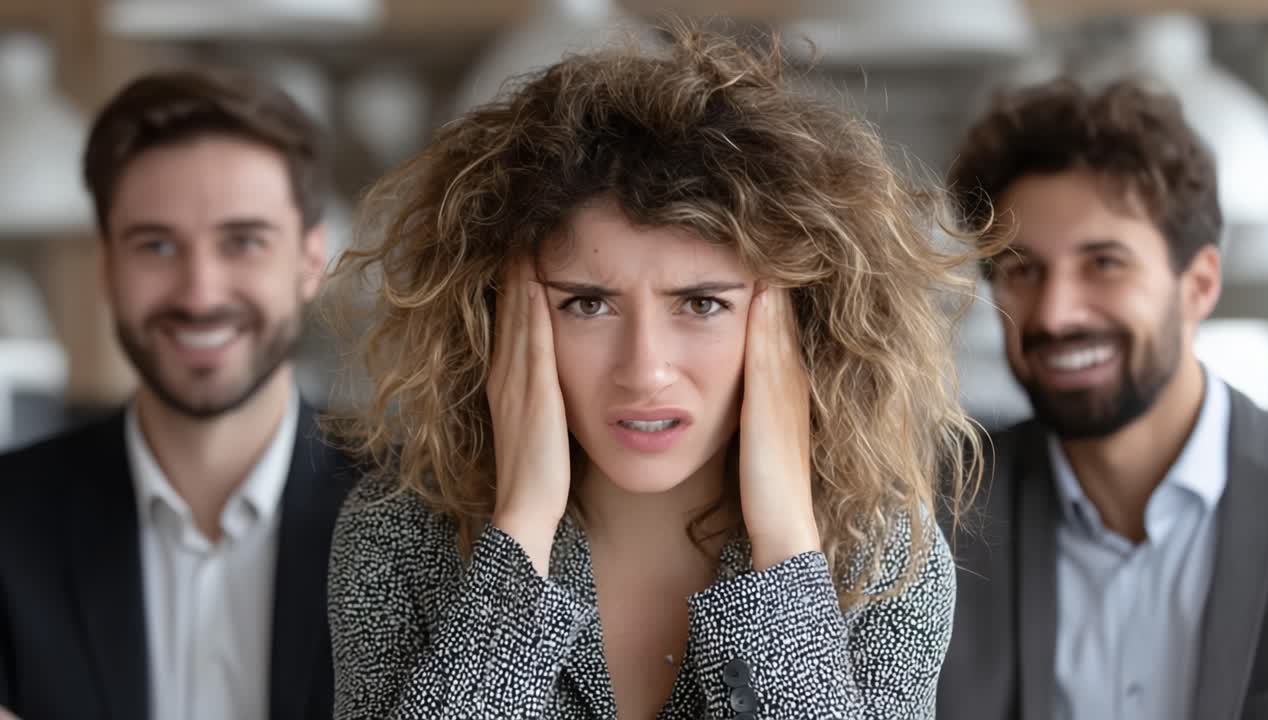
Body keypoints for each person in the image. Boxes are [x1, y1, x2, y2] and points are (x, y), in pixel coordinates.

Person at [326, 25, 988, 720]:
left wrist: (789, 553)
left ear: (794, 323)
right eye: (588, 304)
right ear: (502, 316)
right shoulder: (397, 538)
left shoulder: (878, 556)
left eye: (701, 304)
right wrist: (518, 537)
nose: (645, 370)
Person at [0, 67, 353, 720]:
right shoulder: (7, 520)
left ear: (310, 262)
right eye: (156, 245)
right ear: (107, 266)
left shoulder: (423, 515)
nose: (199, 294)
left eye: (243, 242)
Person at [937, 78, 1268, 720]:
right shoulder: (940, 513)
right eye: (1022, 270)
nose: (1057, 315)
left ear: (1199, 285)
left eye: (1105, 263)